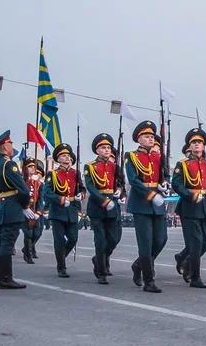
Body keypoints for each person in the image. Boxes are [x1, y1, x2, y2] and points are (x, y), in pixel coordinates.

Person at [125, 121, 168, 293]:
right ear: (139, 139)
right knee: (146, 243)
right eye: (147, 136)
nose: (150, 139)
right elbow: (133, 180)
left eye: (152, 137)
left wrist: (163, 184)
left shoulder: (158, 157)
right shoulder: (132, 156)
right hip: (142, 203)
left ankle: (138, 265)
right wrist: (151, 194)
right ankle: (148, 280)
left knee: (161, 239)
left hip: (157, 204)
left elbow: (163, 176)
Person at [0, 131, 31, 289]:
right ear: (5, 147)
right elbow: (24, 190)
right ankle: (5, 278)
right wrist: (25, 206)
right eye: (10, 143)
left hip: (2, 206)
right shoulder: (9, 164)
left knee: (0, 243)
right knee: (6, 244)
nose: (12, 146)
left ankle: (1, 277)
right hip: (13, 207)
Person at [172, 128, 206, 289]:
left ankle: (183, 258)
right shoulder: (182, 164)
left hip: (204, 207)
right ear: (189, 146)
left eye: (200, 142)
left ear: (203, 146)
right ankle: (195, 277)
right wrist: (191, 195)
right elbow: (177, 184)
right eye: (194, 142)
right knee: (196, 243)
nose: (197, 145)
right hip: (189, 207)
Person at [84, 133, 120, 284]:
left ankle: (99, 258)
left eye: (108, 147)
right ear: (97, 150)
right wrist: (103, 200)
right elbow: (90, 187)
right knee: (100, 240)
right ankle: (101, 271)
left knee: (114, 238)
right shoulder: (90, 167)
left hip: (112, 206)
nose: (107, 150)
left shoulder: (114, 166)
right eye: (103, 147)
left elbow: (119, 182)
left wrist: (120, 191)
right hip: (97, 207)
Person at [44, 143, 83, 278]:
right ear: (58, 159)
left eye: (68, 155)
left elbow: (81, 189)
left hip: (71, 210)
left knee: (73, 238)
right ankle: (61, 266)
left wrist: (80, 196)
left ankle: (61, 257)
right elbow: (47, 193)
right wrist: (60, 199)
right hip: (58, 211)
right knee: (59, 240)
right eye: (63, 156)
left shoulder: (76, 173)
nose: (67, 158)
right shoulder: (52, 174)